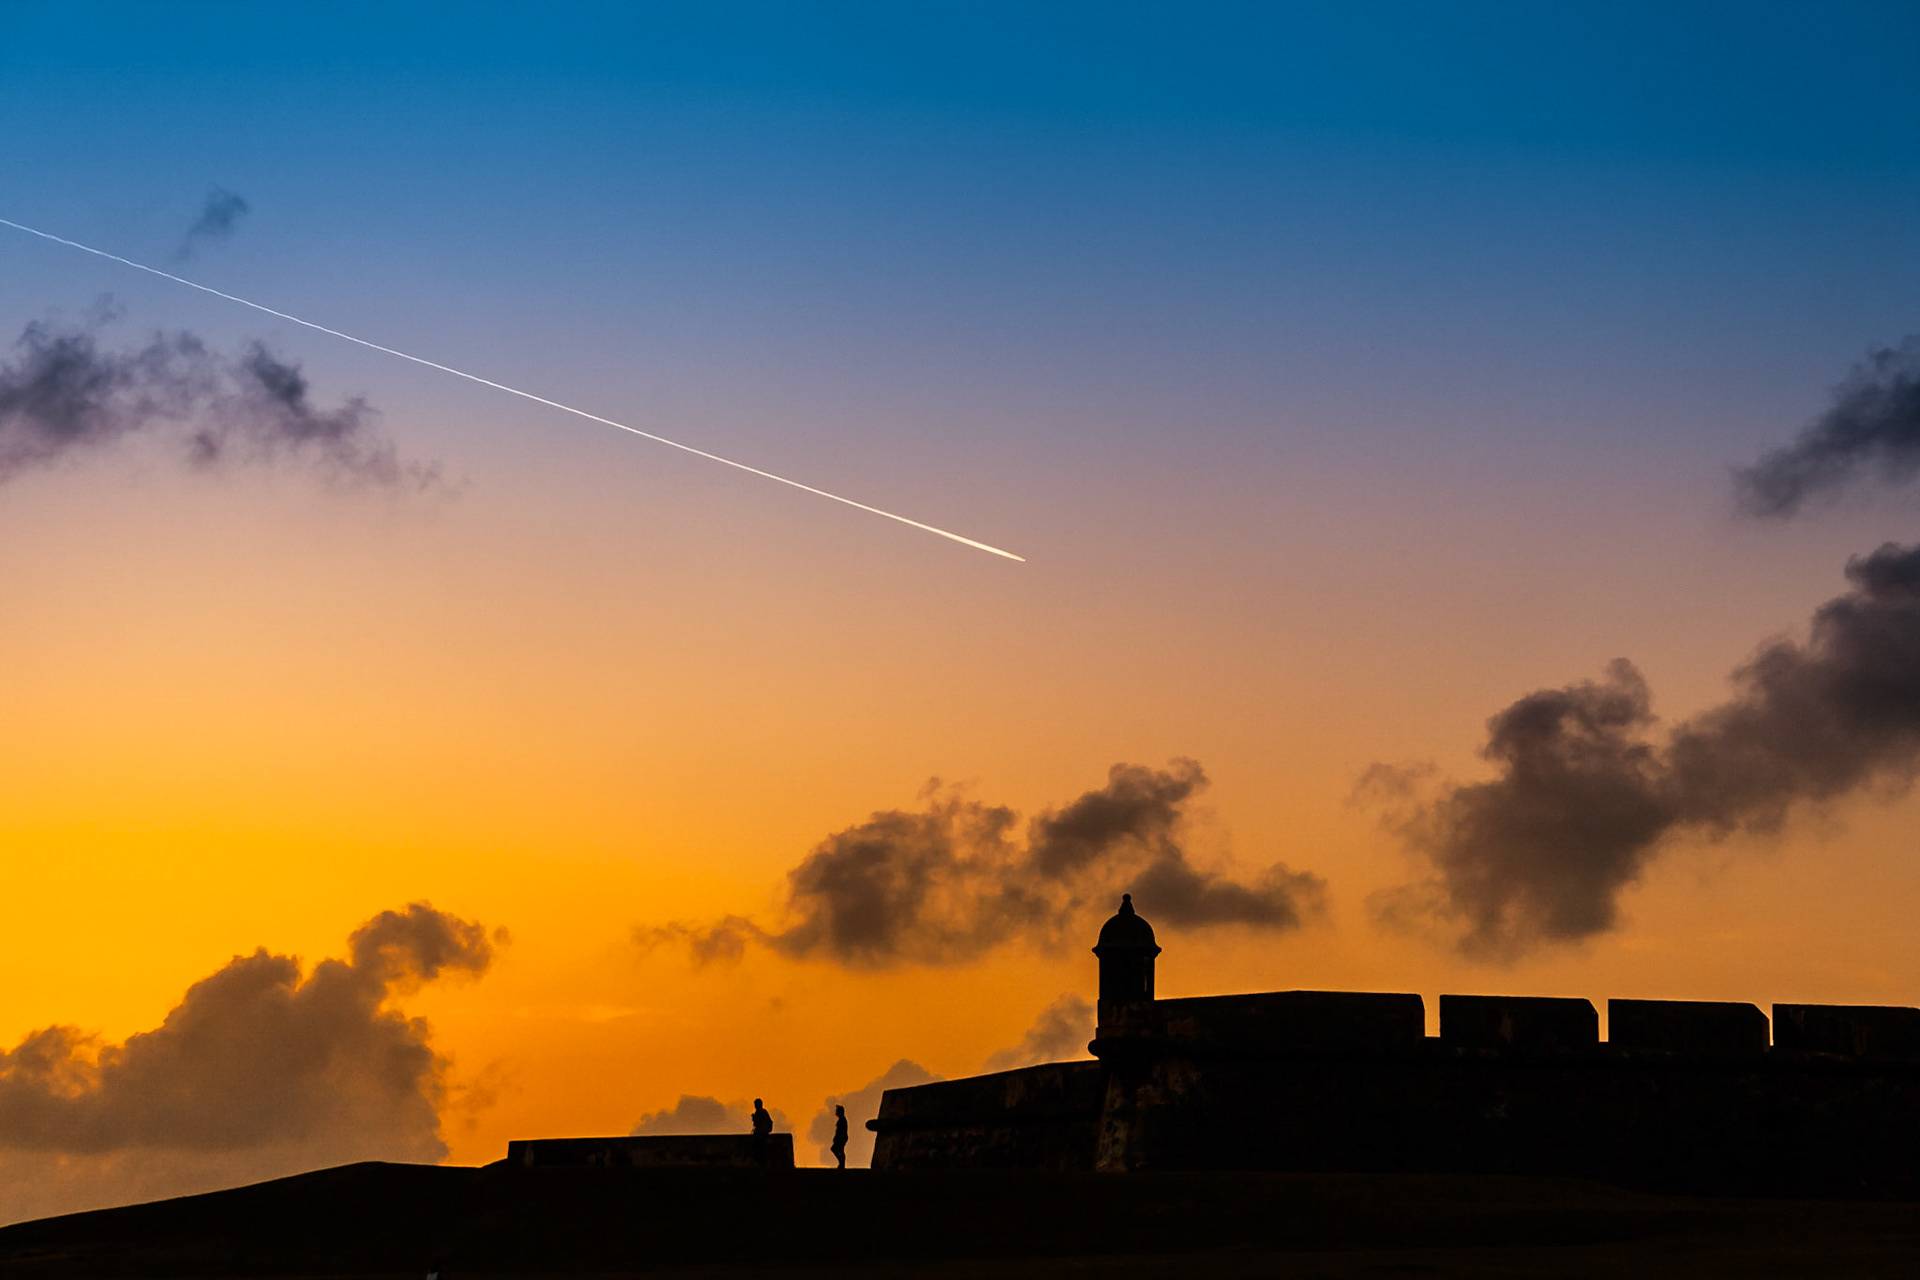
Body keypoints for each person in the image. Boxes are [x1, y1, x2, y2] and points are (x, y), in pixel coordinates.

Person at [750, 1097, 773, 1165]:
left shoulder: (759, 1112)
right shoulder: (764, 1112)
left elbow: (757, 1123)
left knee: (758, 1149)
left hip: (760, 1134)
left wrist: (754, 1118)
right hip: (764, 1133)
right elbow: (770, 1122)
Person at [831, 1104, 849, 1169]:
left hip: (841, 1137)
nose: (836, 1112)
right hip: (842, 1137)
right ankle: (841, 1164)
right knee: (840, 1150)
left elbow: (840, 1131)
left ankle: (841, 1163)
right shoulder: (842, 1120)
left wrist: (836, 1137)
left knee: (835, 1149)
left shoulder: (842, 1120)